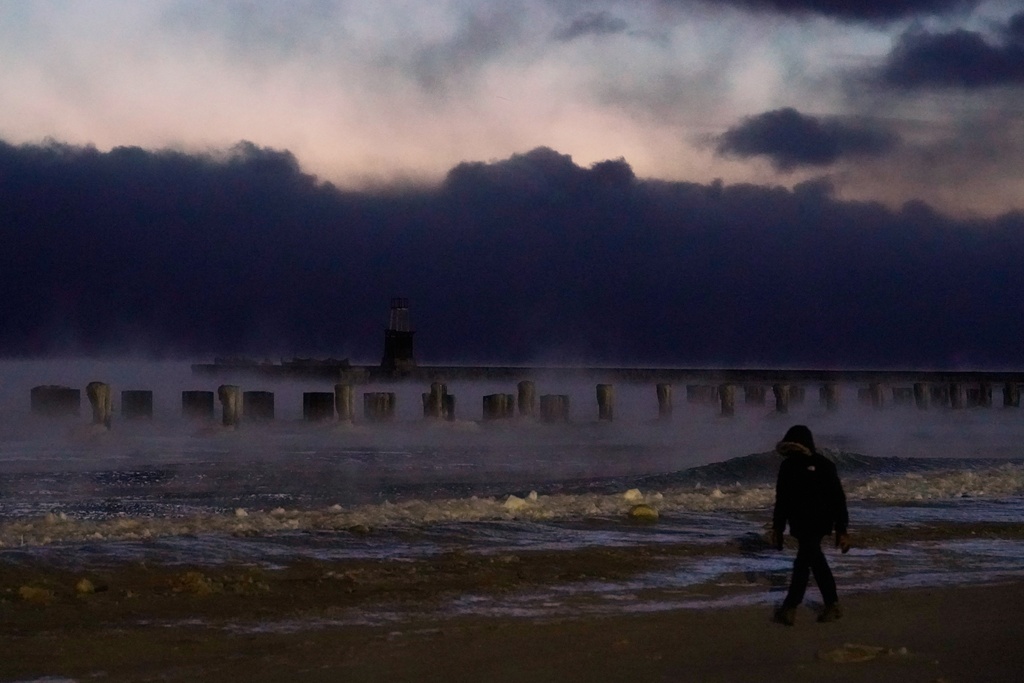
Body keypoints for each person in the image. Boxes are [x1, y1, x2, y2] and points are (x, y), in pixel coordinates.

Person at [770, 424, 850, 625]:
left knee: (805, 562)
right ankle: (830, 605)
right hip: (811, 522)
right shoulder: (817, 465)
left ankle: (791, 607)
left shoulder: (800, 466)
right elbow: (838, 499)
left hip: (811, 522)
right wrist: (841, 528)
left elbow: (836, 498)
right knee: (811, 561)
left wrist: (778, 528)